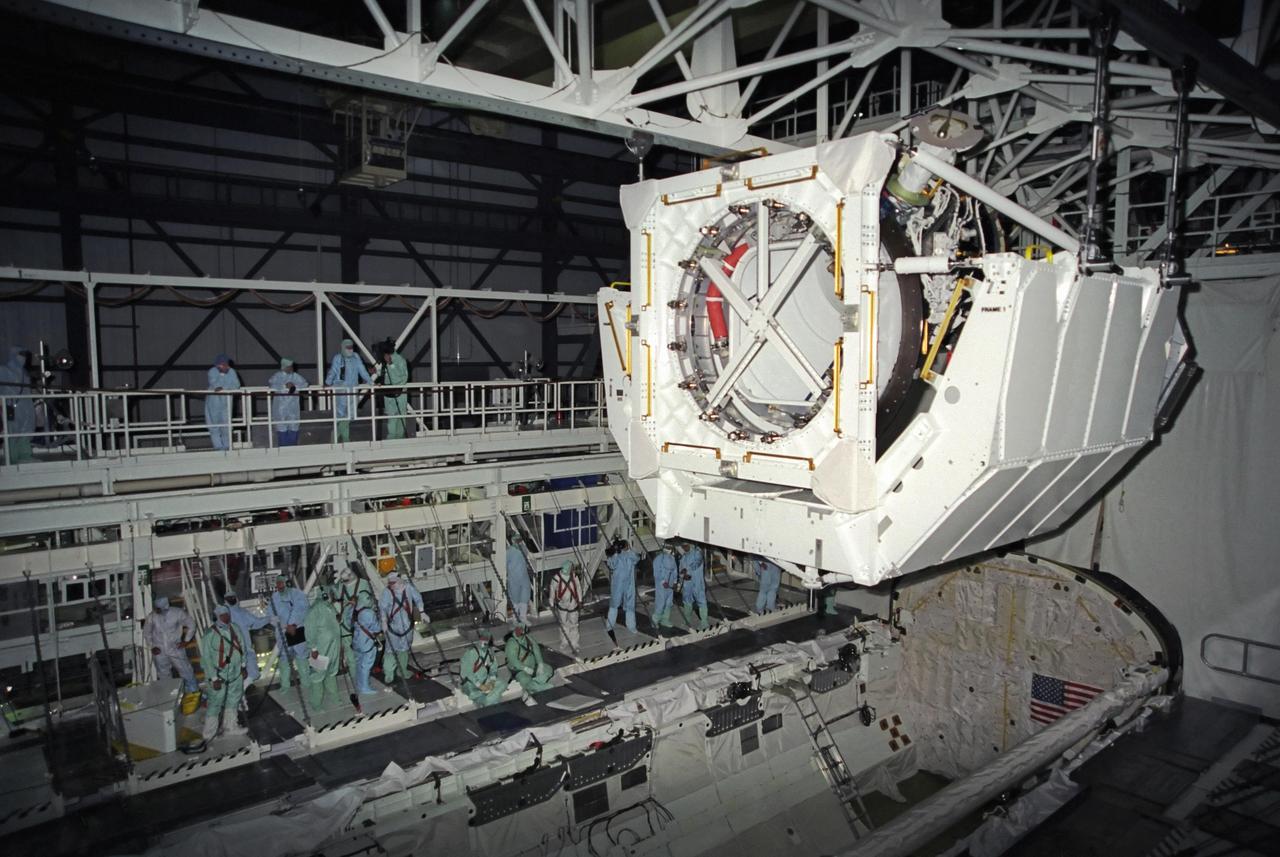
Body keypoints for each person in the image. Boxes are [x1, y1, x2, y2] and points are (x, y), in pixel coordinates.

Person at [199, 604, 250, 740]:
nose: (226, 617)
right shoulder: (210, 635)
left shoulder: (235, 628)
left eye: (227, 614)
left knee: (234, 700)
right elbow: (206, 659)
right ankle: (209, 733)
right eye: (222, 615)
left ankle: (230, 727)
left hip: (235, 673)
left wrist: (243, 666)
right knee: (215, 703)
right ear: (216, 617)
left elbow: (242, 647)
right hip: (219, 675)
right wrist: (214, 678)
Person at [143, 596, 198, 692]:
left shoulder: (177, 613)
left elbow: (191, 624)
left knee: (185, 670)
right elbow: (147, 632)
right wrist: (152, 646)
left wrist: (186, 641)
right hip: (159, 650)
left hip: (175, 647)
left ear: (165, 607)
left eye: (159, 608)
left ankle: (193, 690)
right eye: (156, 608)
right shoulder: (151, 617)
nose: (157, 610)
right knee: (163, 673)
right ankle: (169, 693)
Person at [379, 571, 424, 688]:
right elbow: (382, 607)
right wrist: (383, 621)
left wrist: (422, 612)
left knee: (404, 649)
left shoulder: (408, 588)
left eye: (393, 583)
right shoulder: (387, 592)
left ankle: (402, 671)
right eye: (390, 583)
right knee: (390, 651)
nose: (392, 585)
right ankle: (389, 674)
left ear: (399, 580)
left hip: (407, 626)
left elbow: (418, 599)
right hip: (392, 627)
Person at [268, 574, 310, 694]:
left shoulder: (298, 594)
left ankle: (306, 682)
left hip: (296, 630)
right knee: (284, 658)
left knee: (301, 656)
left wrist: (293, 624)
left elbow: (302, 609)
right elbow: (270, 615)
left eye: (281, 583)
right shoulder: (274, 597)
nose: (279, 586)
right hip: (282, 631)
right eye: (278, 584)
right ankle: (285, 685)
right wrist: (283, 625)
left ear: (287, 583)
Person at [325, 338, 371, 443]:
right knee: (341, 414)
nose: (350, 349)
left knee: (351, 415)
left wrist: (371, 382)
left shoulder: (356, 357)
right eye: (348, 347)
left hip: (353, 389)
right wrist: (327, 383)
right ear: (343, 348)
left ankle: (338, 435)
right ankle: (341, 438)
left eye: (351, 347)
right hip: (341, 390)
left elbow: (362, 370)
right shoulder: (338, 358)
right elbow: (333, 371)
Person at [305, 589, 343, 709]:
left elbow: (335, 622)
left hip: (333, 647)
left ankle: (335, 698)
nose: (333, 596)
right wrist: (313, 648)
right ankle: (316, 703)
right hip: (321, 649)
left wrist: (339, 619)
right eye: (331, 593)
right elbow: (309, 630)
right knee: (318, 675)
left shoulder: (330, 606)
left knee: (331, 672)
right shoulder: (315, 609)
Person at [333, 567, 373, 676]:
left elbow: (369, 602)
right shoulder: (340, 586)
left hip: (360, 625)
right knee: (350, 652)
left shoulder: (363, 584)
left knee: (362, 651)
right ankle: (355, 674)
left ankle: (360, 673)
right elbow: (336, 599)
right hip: (346, 625)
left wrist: (357, 603)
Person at [0, 346, 34, 464]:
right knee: (12, 431)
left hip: (26, 407)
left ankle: (25, 455)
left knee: (26, 430)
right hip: (11, 405)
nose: (23, 357)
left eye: (25, 355)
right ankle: (12, 457)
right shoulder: (4, 370)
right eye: (21, 354)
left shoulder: (25, 373)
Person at [223, 592, 268, 682]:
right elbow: (256, 623)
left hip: (227, 652)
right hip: (244, 650)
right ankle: (244, 687)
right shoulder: (240, 613)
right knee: (253, 674)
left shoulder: (221, 614)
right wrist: (270, 618)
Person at [459, 626, 508, 707]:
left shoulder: (490, 652)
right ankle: (488, 699)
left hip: (485, 679)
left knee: (503, 684)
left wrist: (492, 681)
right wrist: (480, 685)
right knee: (478, 696)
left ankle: (489, 699)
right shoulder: (471, 652)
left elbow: (493, 668)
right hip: (470, 683)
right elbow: (467, 673)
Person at [267, 357, 309, 447]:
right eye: (289, 366)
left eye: (291, 366)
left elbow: (305, 384)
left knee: (294, 426)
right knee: (281, 426)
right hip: (280, 407)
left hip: (293, 407)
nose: (291, 368)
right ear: (284, 367)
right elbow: (271, 384)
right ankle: (283, 448)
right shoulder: (277, 376)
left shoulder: (295, 376)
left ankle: (292, 448)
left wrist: (295, 386)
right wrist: (284, 386)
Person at [347, 588, 381, 696]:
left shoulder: (353, 610)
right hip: (366, 642)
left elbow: (348, 623)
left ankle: (359, 683)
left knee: (358, 663)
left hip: (356, 641)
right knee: (366, 664)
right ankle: (365, 687)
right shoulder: (369, 613)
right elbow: (377, 628)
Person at [375, 342, 410, 440]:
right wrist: (378, 377)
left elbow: (403, 378)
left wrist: (391, 364)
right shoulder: (384, 361)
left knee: (400, 417)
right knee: (391, 417)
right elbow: (383, 375)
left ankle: (399, 438)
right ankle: (391, 438)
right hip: (389, 394)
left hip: (400, 394)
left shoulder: (400, 360)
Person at [206, 354, 241, 451]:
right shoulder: (212, 371)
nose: (226, 366)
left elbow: (236, 385)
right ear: (218, 365)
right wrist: (222, 376)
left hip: (227, 401)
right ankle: (218, 447)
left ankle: (227, 446)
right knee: (214, 425)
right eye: (223, 364)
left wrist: (224, 387)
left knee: (226, 425)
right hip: (213, 402)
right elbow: (216, 385)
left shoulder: (232, 372)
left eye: (227, 364)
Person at [605, 539, 640, 635]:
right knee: (614, 604)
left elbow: (636, 559)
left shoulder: (630, 554)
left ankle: (631, 626)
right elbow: (611, 565)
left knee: (630, 605)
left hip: (629, 583)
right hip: (618, 584)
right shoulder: (615, 555)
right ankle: (609, 626)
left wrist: (628, 550)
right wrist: (615, 553)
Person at [505, 625, 554, 694]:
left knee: (548, 669)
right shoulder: (511, 643)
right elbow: (513, 660)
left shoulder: (528, 638)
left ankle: (534, 684)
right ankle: (535, 686)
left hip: (532, 665)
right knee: (525, 679)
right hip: (519, 669)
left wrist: (540, 664)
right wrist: (525, 668)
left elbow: (536, 649)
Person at [549, 560, 581, 653]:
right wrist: (551, 603)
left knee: (574, 623)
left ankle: (574, 642)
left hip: (573, 603)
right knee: (563, 623)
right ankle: (564, 641)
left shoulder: (574, 576)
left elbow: (578, 588)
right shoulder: (556, 578)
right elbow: (552, 591)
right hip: (561, 604)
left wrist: (580, 600)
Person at [679, 543, 710, 631]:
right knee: (687, 601)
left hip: (697, 582)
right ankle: (687, 620)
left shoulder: (697, 553)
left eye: (686, 546)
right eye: (683, 546)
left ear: (690, 545)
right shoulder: (683, 557)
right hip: (687, 583)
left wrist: (687, 571)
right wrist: (682, 576)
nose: (684, 548)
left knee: (701, 600)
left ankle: (704, 623)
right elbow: (680, 570)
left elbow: (697, 564)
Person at [505, 535, 532, 626]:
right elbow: (504, 564)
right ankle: (515, 619)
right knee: (515, 600)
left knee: (525, 598)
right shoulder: (509, 552)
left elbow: (526, 559)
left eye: (519, 540)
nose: (518, 542)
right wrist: (506, 576)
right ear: (513, 541)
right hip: (513, 579)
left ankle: (523, 618)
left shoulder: (523, 549)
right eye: (517, 541)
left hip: (524, 578)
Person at [651, 543, 679, 629]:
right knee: (661, 602)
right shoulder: (658, 559)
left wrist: (675, 581)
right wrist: (663, 581)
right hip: (661, 584)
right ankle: (655, 620)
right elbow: (656, 572)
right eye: (668, 547)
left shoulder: (672, 558)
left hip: (670, 583)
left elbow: (675, 570)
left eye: (670, 547)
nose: (669, 549)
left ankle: (665, 620)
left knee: (669, 602)